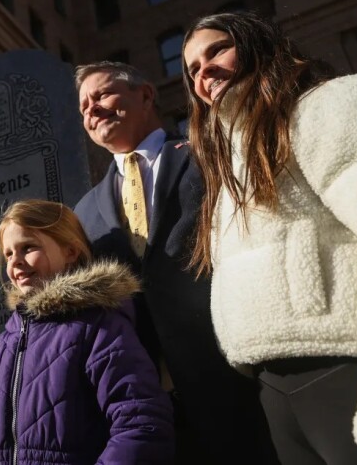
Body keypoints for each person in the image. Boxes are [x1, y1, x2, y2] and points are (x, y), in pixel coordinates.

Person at [181, 12, 357, 464]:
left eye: (217, 50)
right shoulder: (227, 172)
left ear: (258, 43)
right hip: (273, 394)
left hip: (350, 375)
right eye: (192, 69)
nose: (205, 73)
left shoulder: (331, 105)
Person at [72, 59, 276, 464]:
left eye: (102, 95)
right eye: (83, 107)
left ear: (146, 94)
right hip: (153, 409)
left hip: (243, 384)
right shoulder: (85, 210)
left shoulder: (208, 151)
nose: (92, 110)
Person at [0, 199, 174, 465]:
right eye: (8, 254)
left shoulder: (97, 328)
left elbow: (141, 422)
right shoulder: (0, 347)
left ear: (70, 251)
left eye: (28, 247)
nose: (15, 262)